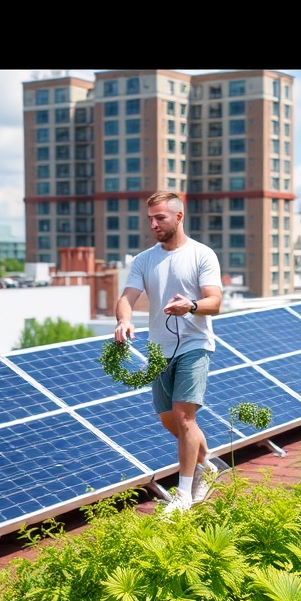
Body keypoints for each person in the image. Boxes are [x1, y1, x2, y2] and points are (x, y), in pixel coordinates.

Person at [114, 191, 222, 511]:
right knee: (168, 421)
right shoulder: (144, 260)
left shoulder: (202, 255)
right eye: (150, 218)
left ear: (178, 217)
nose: (153, 224)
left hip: (194, 344)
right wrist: (124, 320)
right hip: (159, 352)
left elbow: (214, 302)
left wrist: (190, 306)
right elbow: (126, 297)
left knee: (184, 416)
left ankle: (184, 494)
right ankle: (208, 467)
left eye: (159, 217)